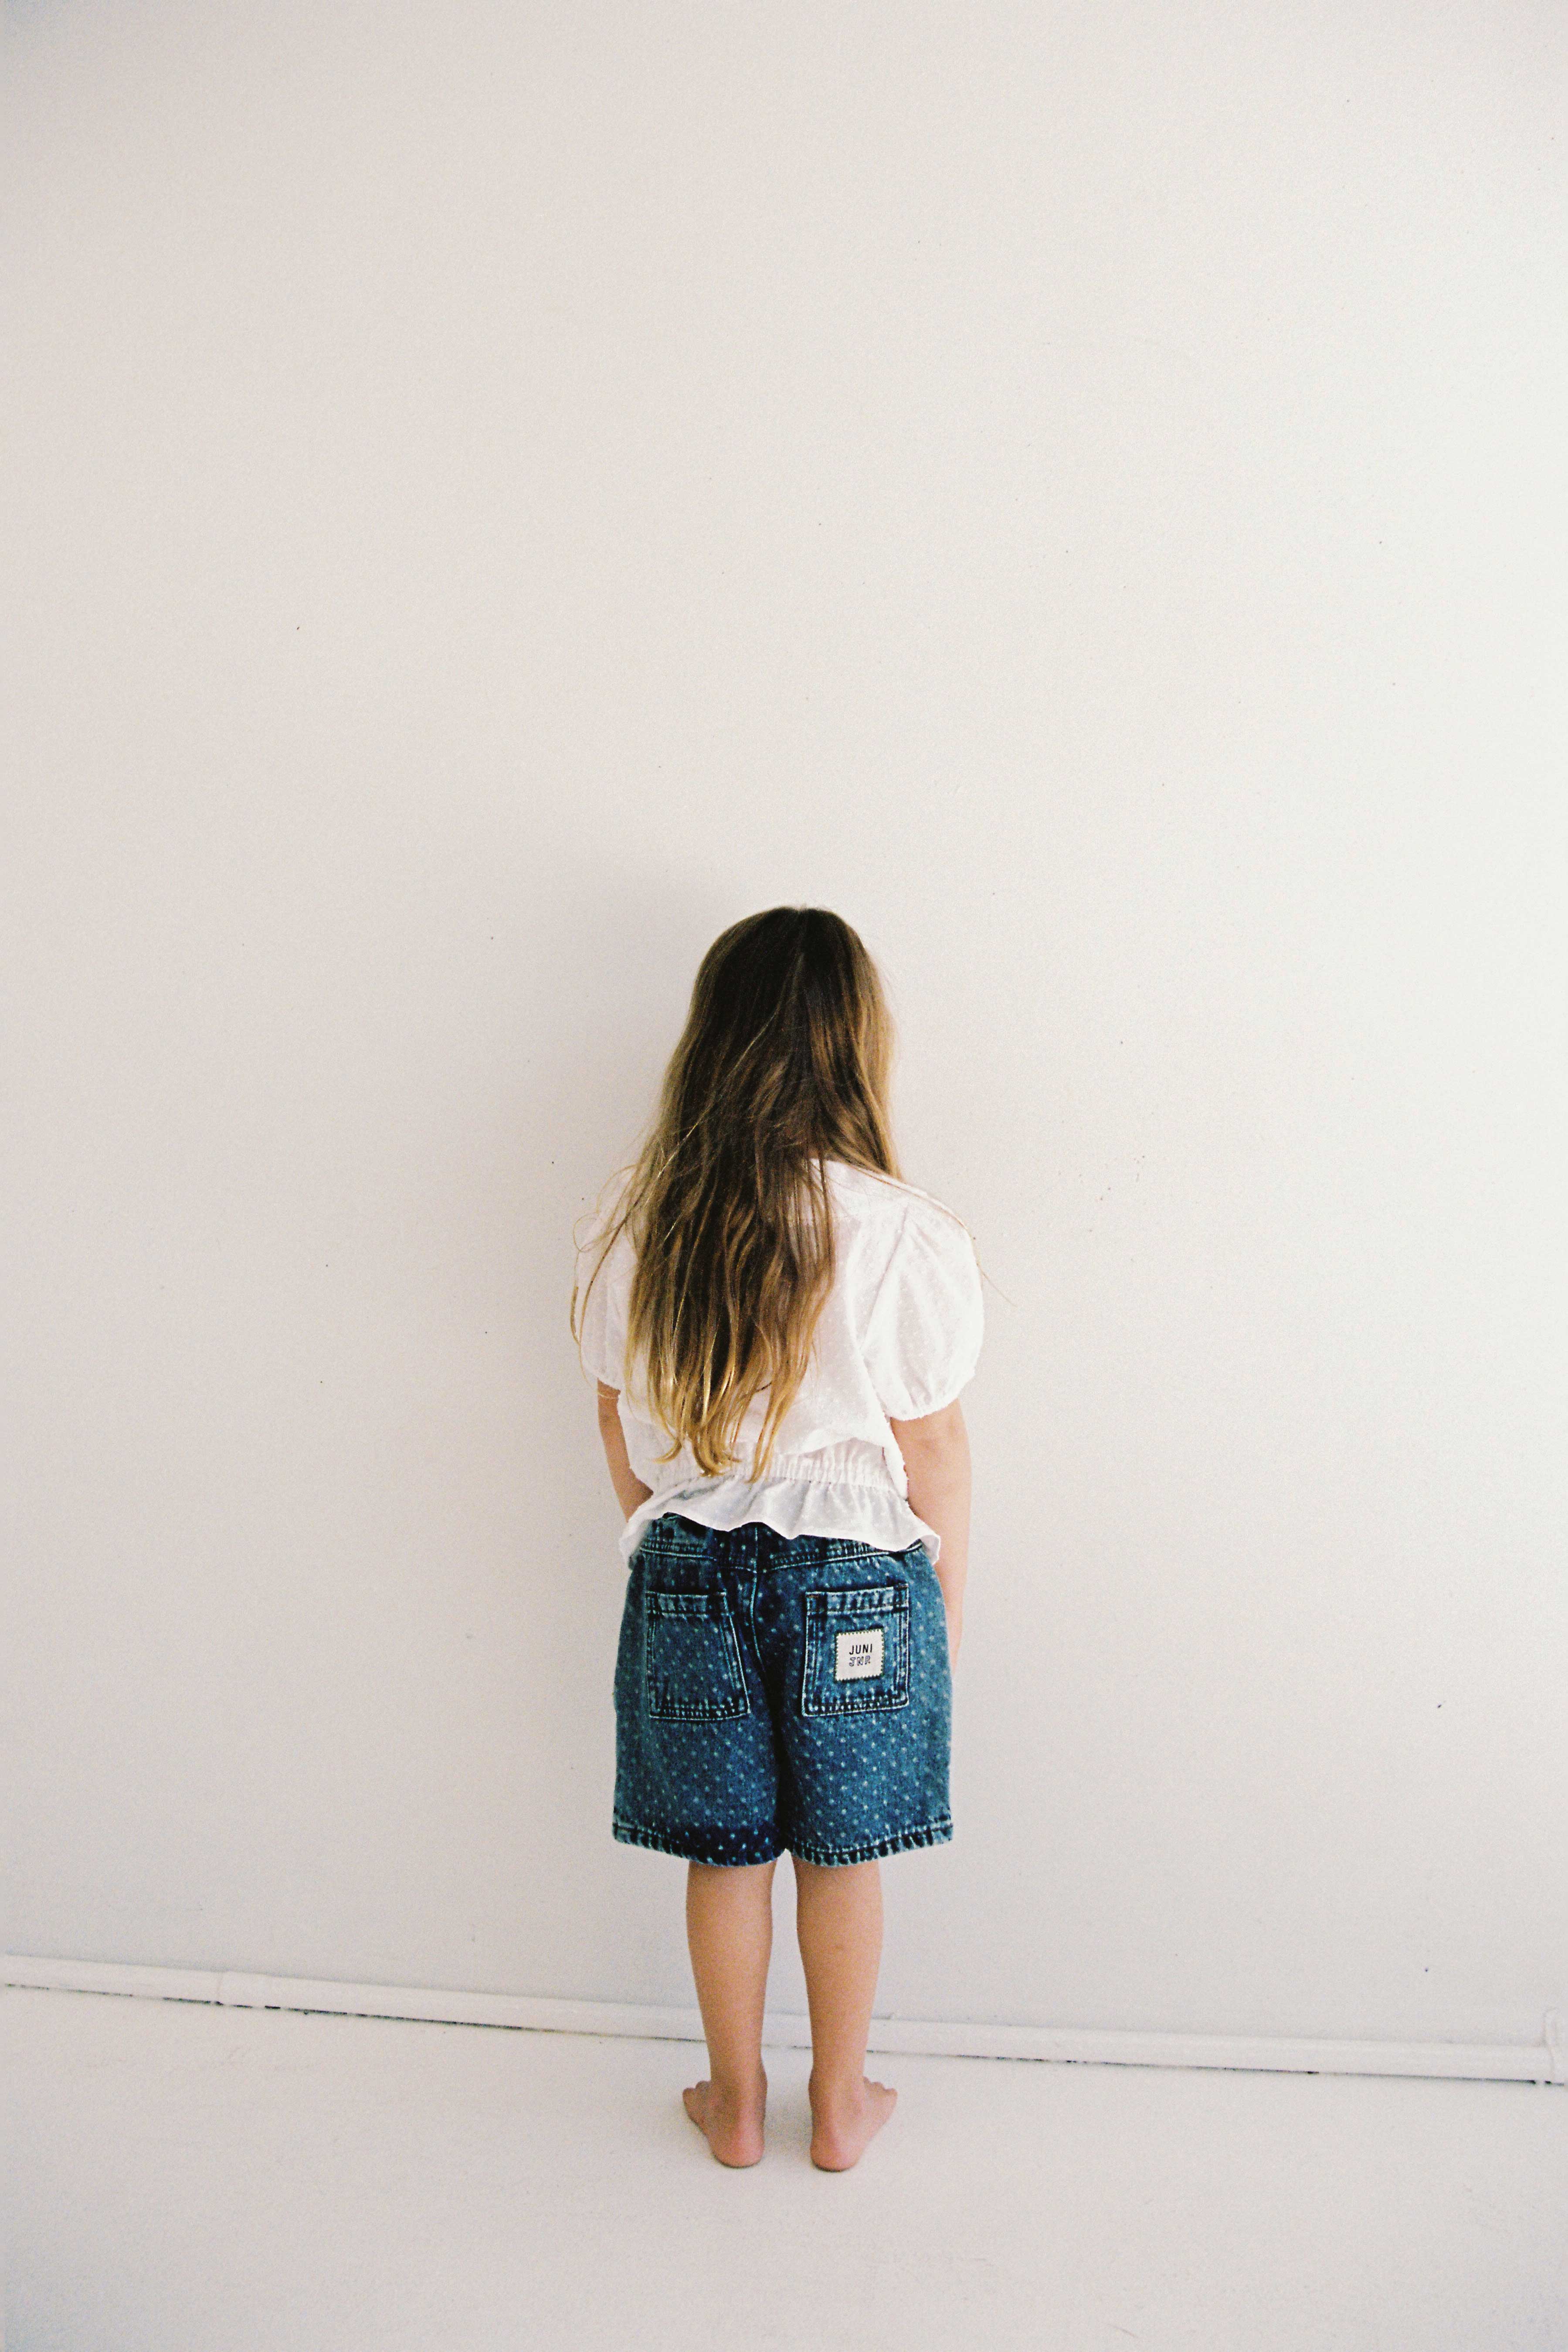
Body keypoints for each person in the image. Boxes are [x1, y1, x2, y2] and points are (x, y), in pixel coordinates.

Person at [570, 906, 983, 2172]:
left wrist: (664, 1539)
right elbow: (936, 1451)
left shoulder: (644, 1224)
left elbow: (616, 1420)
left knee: (726, 1852)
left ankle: (736, 2102)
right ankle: (842, 2105)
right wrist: (941, 1611)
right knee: (842, 1852)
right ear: (857, 1048)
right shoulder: (902, 1232)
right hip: (860, 1577)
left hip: (689, 1561)